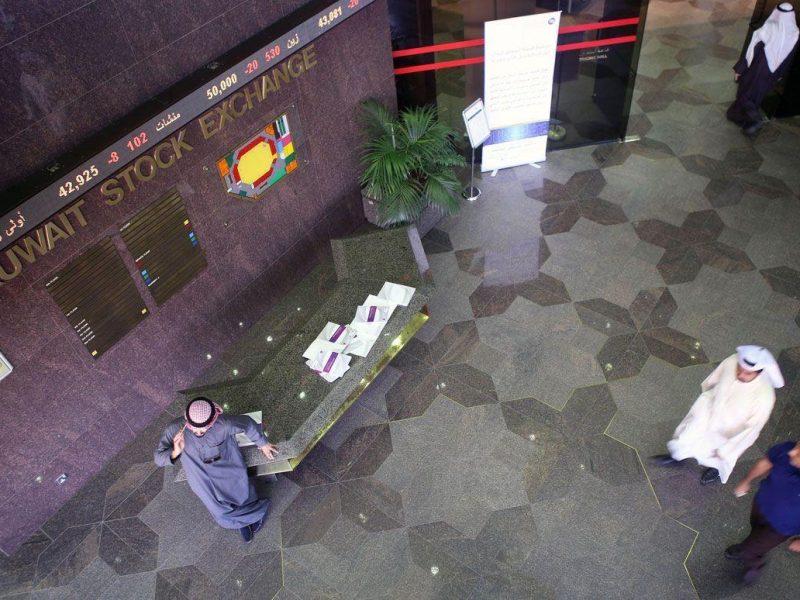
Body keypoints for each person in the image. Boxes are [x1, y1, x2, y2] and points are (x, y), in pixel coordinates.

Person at [651, 345, 783, 485]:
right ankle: (676, 456)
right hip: (708, 413)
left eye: (748, 373)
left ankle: (715, 470)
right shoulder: (733, 361)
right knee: (688, 434)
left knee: (717, 457)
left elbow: (751, 431)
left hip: (729, 431)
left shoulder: (765, 397)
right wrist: (705, 399)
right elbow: (714, 378)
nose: (740, 375)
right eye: (740, 368)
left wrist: (727, 450)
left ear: (759, 372)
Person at [154, 397, 279, 543]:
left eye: (204, 428)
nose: (198, 431)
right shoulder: (176, 428)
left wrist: (262, 443)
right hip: (199, 476)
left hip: (227, 467)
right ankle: (253, 515)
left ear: (213, 420)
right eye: (194, 427)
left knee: (241, 495)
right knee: (218, 508)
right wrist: (175, 451)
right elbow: (158, 458)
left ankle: (248, 515)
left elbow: (247, 423)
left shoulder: (224, 424)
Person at [725, 440, 800, 585]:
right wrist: (747, 480)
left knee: (751, 551)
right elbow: (766, 462)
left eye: (799, 452)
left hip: (781, 528)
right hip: (761, 505)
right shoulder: (787, 449)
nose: (791, 451)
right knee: (754, 530)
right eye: (798, 445)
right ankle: (747, 546)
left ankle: (753, 566)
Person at [726, 2, 799, 136]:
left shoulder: (769, 27)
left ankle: (754, 120)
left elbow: (752, 49)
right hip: (772, 74)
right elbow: (788, 59)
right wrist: (779, 75)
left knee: (745, 94)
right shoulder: (794, 33)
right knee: (756, 97)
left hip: (757, 69)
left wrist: (740, 69)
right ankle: (742, 120)